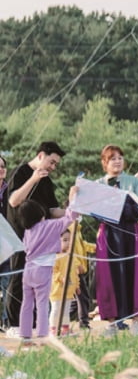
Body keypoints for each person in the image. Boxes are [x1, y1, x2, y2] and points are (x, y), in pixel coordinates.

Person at [5, 141, 66, 332]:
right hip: (19, 236)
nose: (53, 167)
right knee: (18, 277)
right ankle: (13, 323)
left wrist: (72, 211)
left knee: (39, 283)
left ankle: (32, 325)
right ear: (41, 156)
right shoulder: (21, 172)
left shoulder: (47, 181)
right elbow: (14, 200)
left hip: (40, 241)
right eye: (51, 162)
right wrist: (33, 178)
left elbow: (52, 210)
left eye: (56, 164)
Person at [94, 144, 138, 333]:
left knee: (134, 272)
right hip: (109, 233)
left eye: (120, 157)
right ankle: (112, 322)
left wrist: (127, 209)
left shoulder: (132, 181)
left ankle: (135, 320)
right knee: (108, 276)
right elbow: (92, 207)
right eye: (113, 158)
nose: (117, 161)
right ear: (105, 162)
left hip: (130, 231)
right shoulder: (98, 184)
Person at [17, 194, 77, 343]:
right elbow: (70, 217)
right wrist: (73, 197)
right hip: (42, 269)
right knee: (42, 303)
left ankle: (25, 334)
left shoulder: (27, 231)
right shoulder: (49, 225)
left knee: (27, 303)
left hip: (28, 269)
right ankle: (42, 334)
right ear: (40, 213)